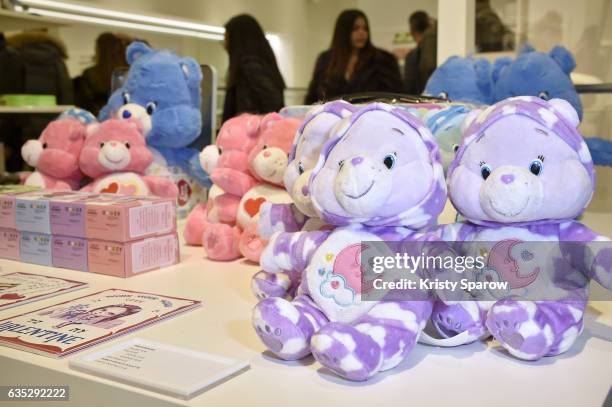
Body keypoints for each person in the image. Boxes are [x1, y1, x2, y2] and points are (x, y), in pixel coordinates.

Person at [305, 9, 402, 104]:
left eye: (365, 28)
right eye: (355, 29)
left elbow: (398, 96)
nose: (361, 33)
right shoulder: (326, 60)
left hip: (372, 117)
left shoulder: (383, 59)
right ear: (343, 32)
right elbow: (312, 98)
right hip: (333, 117)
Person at [222, 14, 285, 123]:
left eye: (227, 38)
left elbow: (273, 101)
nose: (225, 44)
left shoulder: (249, 66)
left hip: (249, 134)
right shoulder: (259, 63)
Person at [73, 32, 131, 116]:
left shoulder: (90, 74)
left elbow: (82, 102)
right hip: (122, 115)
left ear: (98, 49)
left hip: (97, 117)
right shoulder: (125, 72)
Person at [404, 10, 437, 95]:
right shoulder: (441, 46)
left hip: (420, 102)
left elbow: (409, 89)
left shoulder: (411, 57)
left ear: (412, 29)